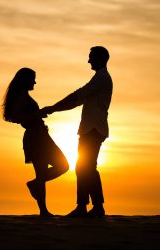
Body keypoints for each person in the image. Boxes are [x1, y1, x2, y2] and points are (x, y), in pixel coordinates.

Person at [42, 46, 113, 217]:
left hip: (93, 129)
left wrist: (53, 108)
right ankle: (91, 206)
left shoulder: (101, 78)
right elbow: (77, 100)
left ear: (99, 58)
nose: (88, 61)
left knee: (85, 167)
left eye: (91, 57)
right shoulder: (99, 78)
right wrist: (55, 109)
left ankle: (88, 207)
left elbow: (77, 95)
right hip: (92, 128)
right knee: (85, 167)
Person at [2, 67, 69, 216]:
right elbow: (17, 117)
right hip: (35, 137)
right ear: (25, 80)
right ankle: (42, 208)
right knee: (55, 168)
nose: (35, 82)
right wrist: (38, 113)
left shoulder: (24, 96)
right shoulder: (20, 97)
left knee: (60, 167)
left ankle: (40, 200)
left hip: (41, 135)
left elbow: (25, 116)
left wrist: (38, 115)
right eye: (33, 79)